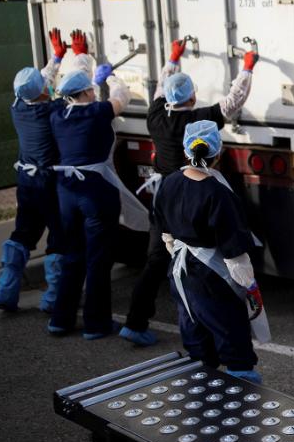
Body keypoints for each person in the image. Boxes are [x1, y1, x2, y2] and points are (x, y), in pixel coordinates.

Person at [119, 40, 259, 346]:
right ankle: (221, 316)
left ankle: (136, 320)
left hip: (165, 195)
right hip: (193, 191)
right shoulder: (199, 120)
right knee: (208, 254)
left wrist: (172, 59)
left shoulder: (155, 115)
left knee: (158, 259)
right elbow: (233, 102)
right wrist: (247, 67)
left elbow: (159, 90)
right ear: (193, 97)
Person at [47, 30, 149, 338]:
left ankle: (60, 319)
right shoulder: (97, 112)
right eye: (90, 90)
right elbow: (121, 99)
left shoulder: (56, 113)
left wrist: (80, 62)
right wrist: (112, 78)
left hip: (66, 192)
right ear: (86, 93)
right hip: (95, 192)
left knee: (72, 255)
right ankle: (96, 323)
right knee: (98, 258)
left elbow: (55, 90)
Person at [154, 120, 266, 383]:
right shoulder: (218, 193)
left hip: (181, 274)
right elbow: (234, 253)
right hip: (213, 281)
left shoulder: (168, 182)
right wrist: (249, 287)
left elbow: (165, 232)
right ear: (219, 153)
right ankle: (241, 397)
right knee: (232, 341)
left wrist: (176, 252)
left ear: (185, 151)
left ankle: (202, 398)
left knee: (196, 340)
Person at [0, 29, 71, 312]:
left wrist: (57, 57)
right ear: (43, 91)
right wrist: (78, 59)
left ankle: (6, 289)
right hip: (49, 182)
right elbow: (71, 95)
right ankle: (52, 298)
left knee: (23, 232)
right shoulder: (54, 111)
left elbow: (37, 85)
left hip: (26, 182)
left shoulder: (18, 107)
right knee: (58, 236)